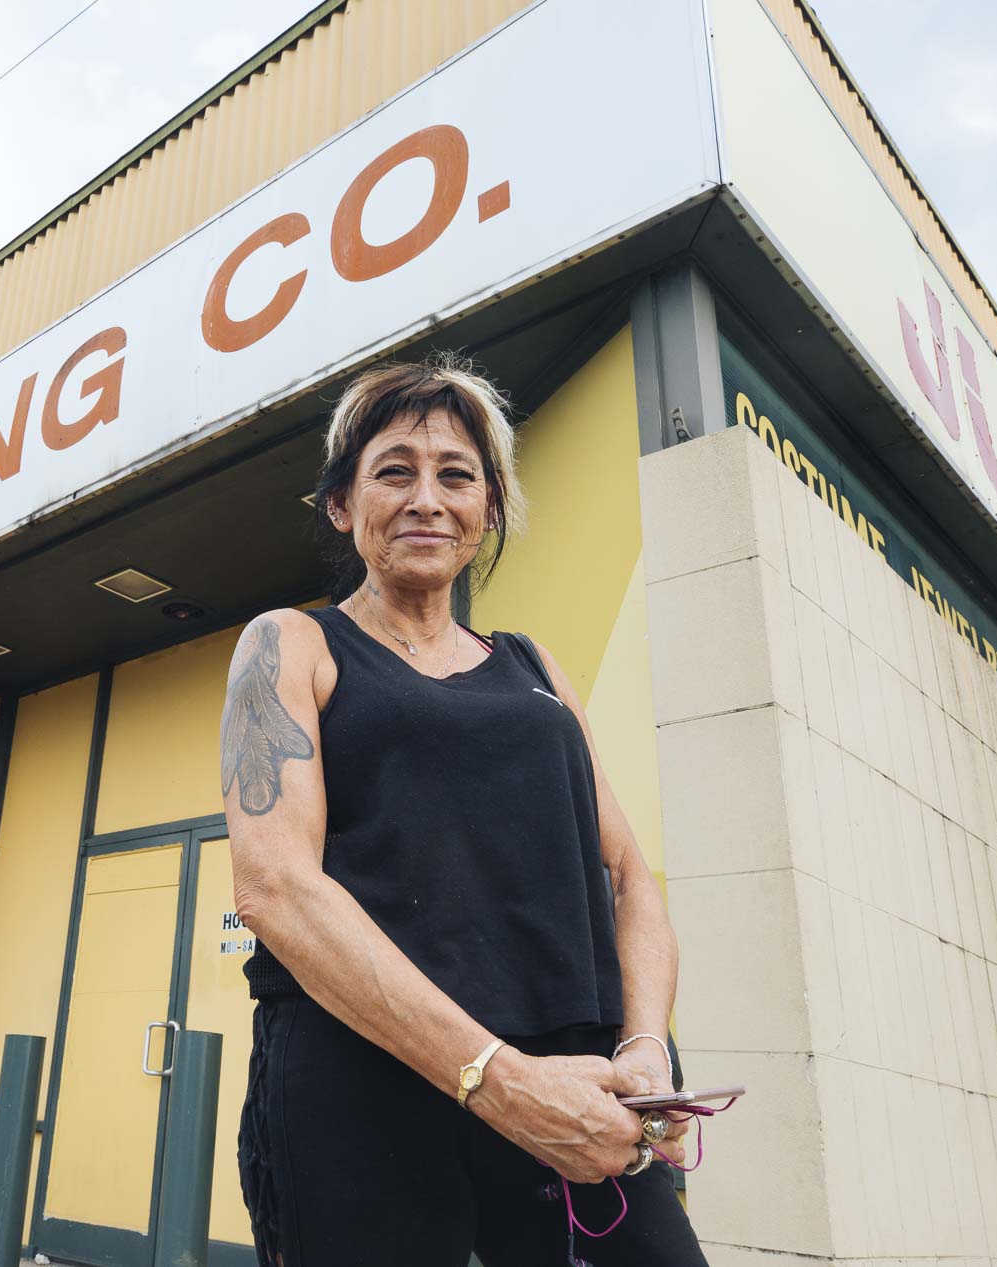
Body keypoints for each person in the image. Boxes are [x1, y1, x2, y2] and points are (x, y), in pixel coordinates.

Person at [219, 356, 707, 1267]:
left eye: (457, 474)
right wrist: (497, 1081)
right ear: (340, 505)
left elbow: (630, 875)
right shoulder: (289, 644)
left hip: (575, 1067)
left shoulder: (534, 667)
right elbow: (275, 886)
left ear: (488, 510)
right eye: (393, 470)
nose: (426, 498)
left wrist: (645, 1050)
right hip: (367, 1070)